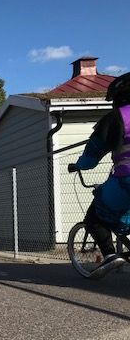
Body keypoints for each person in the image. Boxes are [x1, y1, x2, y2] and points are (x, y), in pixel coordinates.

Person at [68, 72, 130, 278]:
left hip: (127, 178)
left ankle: (110, 255)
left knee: (95, 215)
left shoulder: (117, 118)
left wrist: (78, 166)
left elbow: (90, 157)